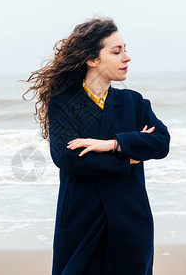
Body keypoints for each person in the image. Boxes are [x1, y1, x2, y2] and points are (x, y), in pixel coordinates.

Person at [22, 16, 170, 275]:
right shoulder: (64, 104)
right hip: (81, 219)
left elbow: (161, 142)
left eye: (125, 49)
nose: (127, 58)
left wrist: (113, 143)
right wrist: (130, 157)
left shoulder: (134, 103)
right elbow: (69, 160)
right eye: (117, 51)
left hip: (130, 218)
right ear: (92, 59)